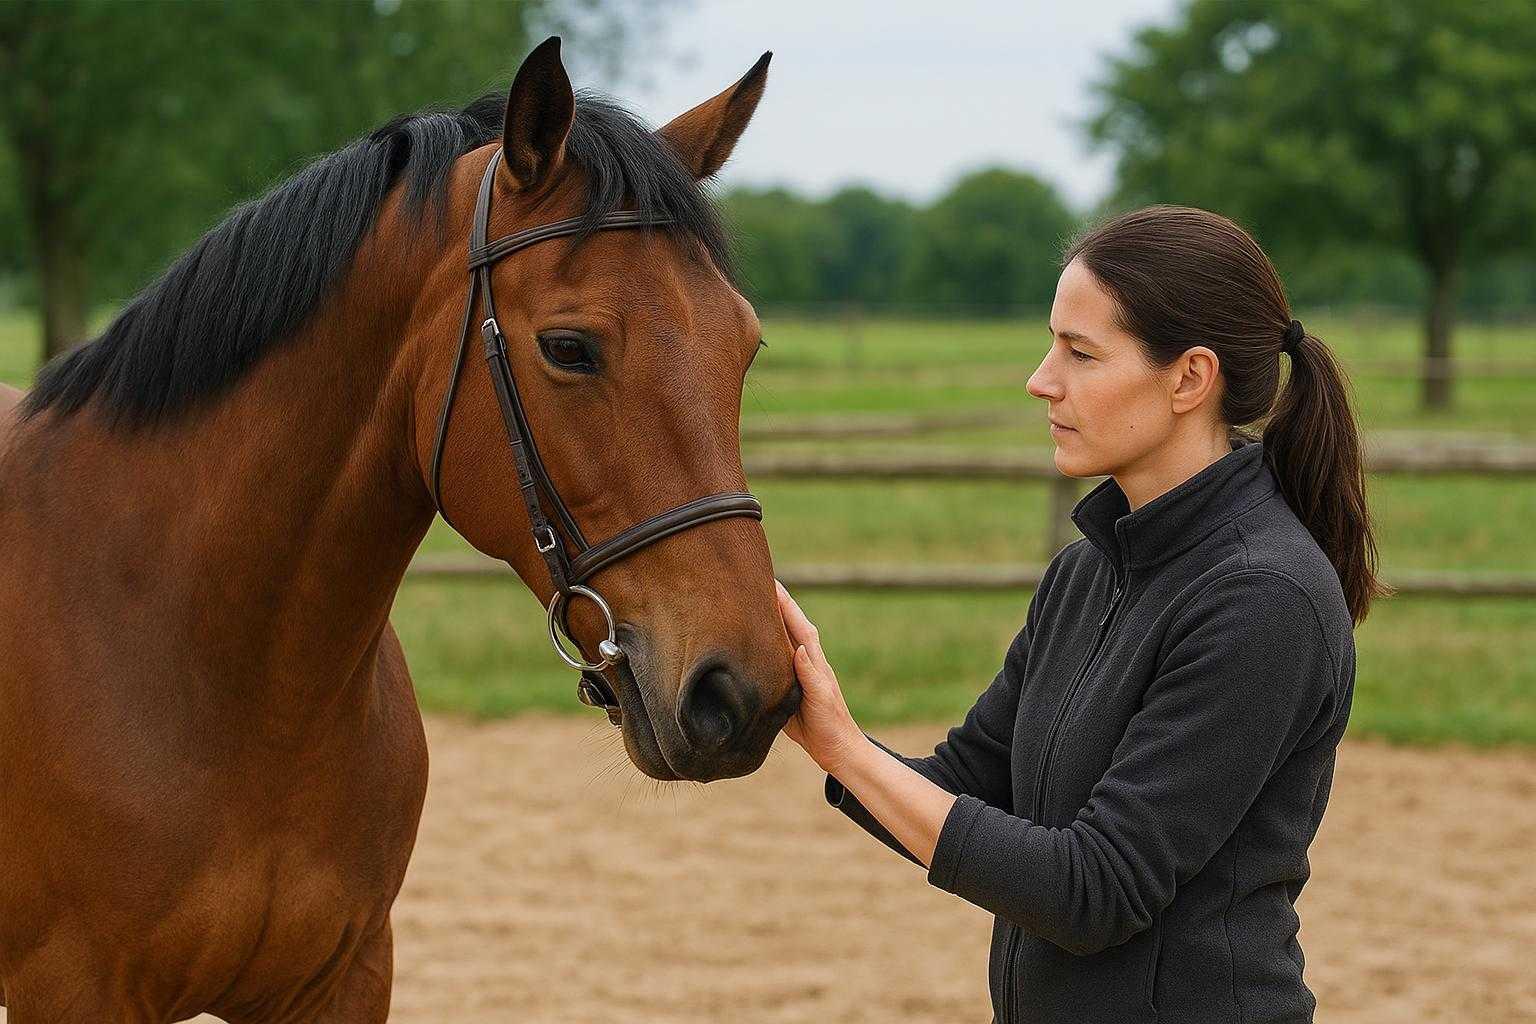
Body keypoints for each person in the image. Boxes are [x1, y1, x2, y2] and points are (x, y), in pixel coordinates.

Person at [774, 205, 1388, 1024]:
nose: (1041, 379)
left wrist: (843, 748)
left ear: (1189, 378)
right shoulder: (1086, 572)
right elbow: (965, 785)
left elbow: (1094, 891)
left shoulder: (1262, 598)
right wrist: (788, 700)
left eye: (1081, 353)